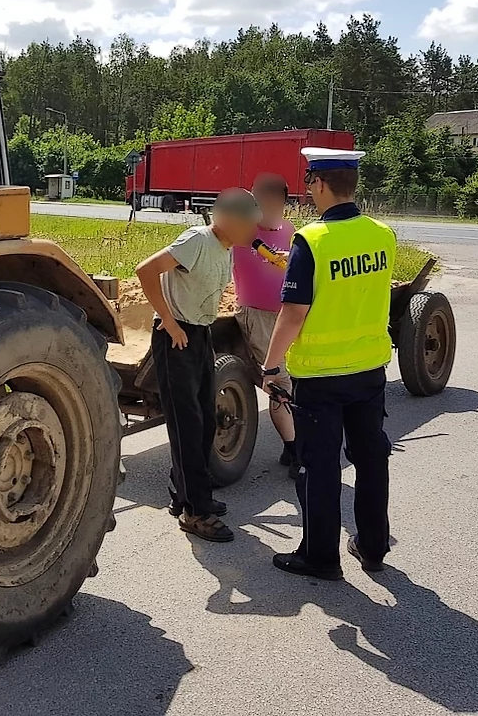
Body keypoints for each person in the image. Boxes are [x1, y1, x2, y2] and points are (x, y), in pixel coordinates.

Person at [261, 147, 396, 580]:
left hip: (320, 375)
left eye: (308, 181)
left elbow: (293, 313)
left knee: (319, 465)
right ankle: (373, 547)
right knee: (371, 458)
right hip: (370, 370)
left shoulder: (312, 241)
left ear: (318, 184)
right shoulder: (382, 234)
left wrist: (270, 365)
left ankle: (321, 557)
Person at [136, 188, 260, 543]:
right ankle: (196, 513)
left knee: (205, 419)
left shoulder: (227, 248)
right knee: (187, 426)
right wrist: (169, 322)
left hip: (200, 334)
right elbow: (145, 270)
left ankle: (187, 494)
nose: (254, 230)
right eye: (250, 223)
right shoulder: (197, 240)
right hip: (176, 338)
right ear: (230, 219)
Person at [233, 172, 297, 475]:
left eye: (272, 201)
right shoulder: (243, 233)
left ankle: (295, 440)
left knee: (293, 377)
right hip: (255, 315)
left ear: (283, 201)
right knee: (278, 381)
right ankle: (294, 450)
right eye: (260, 202)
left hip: (288, 313)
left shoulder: (291, 231)